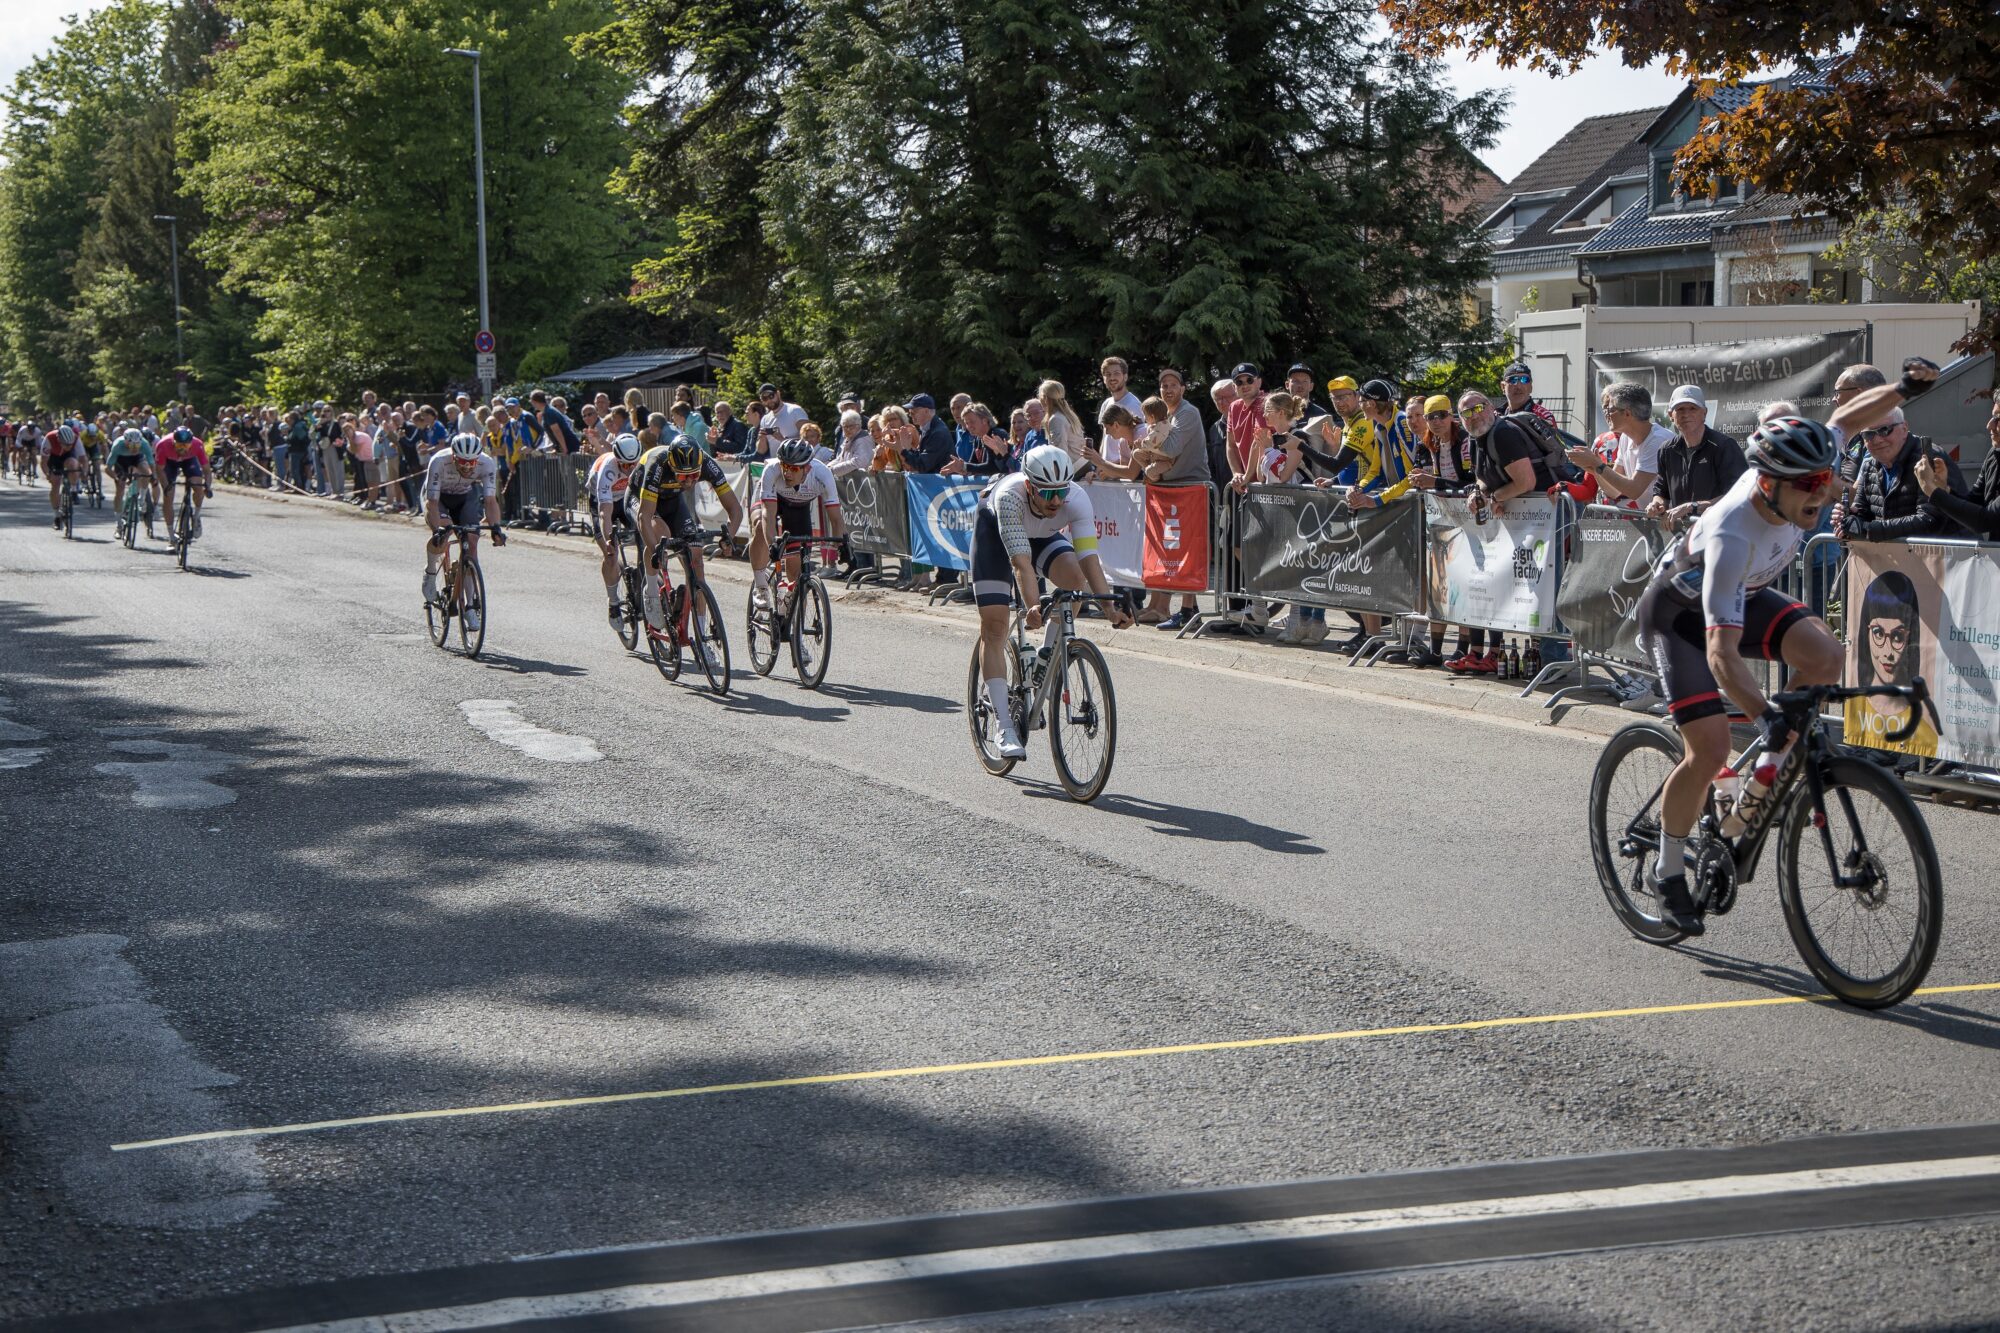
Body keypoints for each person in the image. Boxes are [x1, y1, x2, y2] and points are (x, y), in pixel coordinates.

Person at [1635, 359, 1934, 934]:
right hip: (1678, 618)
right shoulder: (1733, 532)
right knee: (1709, 748)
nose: (1823, 492)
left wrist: (1903, 389)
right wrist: (1763, 715)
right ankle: (1668, 869)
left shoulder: (1802, 470)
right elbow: (1721, 655)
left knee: (1826, 655)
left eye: (1827, 479)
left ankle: (1759, 781)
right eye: (1811, 486)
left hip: (1745, 597)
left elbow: (1847, 418)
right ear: (1769, 485)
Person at [970, 445, 1131, 758]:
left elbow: (1089, 558)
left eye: (1060, 491)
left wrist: (1109, 609)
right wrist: (1034, 606)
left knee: (1074, 582)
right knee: (995, 626)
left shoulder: (1076, 499)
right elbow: (1021, 564)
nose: (1056, 500)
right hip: (995, 535)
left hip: (1042, 534)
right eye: (1047, 493)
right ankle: (1004, 726)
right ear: (1029, 486)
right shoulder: (1010, 497)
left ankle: (1047, 657)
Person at [628, 439, 744, 627]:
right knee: (661, 534)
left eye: (694, 475)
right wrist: (656, 552)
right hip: (640, 500)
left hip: (672, 500)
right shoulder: (658, 465)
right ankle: (651, 591)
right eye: (682, 477)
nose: (689, 481)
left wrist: (729, 536)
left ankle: (701, 631)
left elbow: (735, 509)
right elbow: (644, 517)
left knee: (696, 559)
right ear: (672, 467)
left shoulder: (707, 463)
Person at [1844, 570, 1941, 757]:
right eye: (1878, 633)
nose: (1887, 652)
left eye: (1898, 636)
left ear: (1911, 636)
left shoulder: (1925, 726)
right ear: (1866, 633)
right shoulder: (1856, 708)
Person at [1832, 407, 1965, 542]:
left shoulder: (1928, 460)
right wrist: (1849, 520)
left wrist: (1868, 530)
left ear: (1904, 428)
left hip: (1948, 553)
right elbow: (1862, 513)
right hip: (1897, 553)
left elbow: (1930, 519)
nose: (1877, 440)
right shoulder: (1869, 465)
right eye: (1868, 434)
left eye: (1884, 430)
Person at [750, 437, 846, 613]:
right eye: (785, 466)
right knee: (759, 526)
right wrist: (772, 544)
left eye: (794, 469)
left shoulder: (822, 474)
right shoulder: (772, 470)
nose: (787, 472)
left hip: (797, 507)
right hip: (772, 500)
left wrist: (840, 544)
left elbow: (836, 518)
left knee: (796, 567)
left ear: (807, 468)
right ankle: (761, 586)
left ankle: (791, 610)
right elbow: (768, 514)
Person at [421, 433, 506, 626]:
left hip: (463, 497)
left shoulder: (487, 463)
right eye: (462, 462)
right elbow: (432, 503)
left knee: (472, 544)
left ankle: (470, 606)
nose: (467, 467)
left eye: (471, 463)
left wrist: (496, 528)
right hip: (438, 499)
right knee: (443, 532)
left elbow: (490, 501)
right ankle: (430, 572)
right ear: (453, 456)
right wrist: (437, 530)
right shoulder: (439, 461)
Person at [1648, 385, 1747, 526]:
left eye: (1693, 408)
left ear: (1704, 413)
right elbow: (1661, 491)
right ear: (1670, 415)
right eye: (1680, 409)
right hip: (1683, 534)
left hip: (1720, 530)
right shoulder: (1666, 450)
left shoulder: (1724, 446)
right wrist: (1657, 504)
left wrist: (1692, 507)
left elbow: (1738, 495)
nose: (1686, 414)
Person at [1565, 381, 1667, 506]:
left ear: (1627, 413)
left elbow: (1634, 490)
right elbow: (1614, 491)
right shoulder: (1626, 438)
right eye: (1605, 409)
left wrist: (1596, 464)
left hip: (1671, 517)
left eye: (1610, 409)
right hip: (1652, 517)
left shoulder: (1658, 440)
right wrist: (1595, 469)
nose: (1606, 413)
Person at [1917, 397, 2000, 540]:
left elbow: (1985, 520)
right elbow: (1974, 503)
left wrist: (1931, 490)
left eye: (1998, 418)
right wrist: (1944, 489)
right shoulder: (1995, 454)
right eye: (1993, 416)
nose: (1989, 425)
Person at [588, 433, 647, 627]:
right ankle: (613, 602)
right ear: (616, 459)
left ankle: (643, 577)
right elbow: (605, 513)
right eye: (625, 465)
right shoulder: (608, 470)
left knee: (646, 533)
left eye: (633, 464)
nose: (630, 469)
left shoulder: (640, 464)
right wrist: (608, 540)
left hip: (625, 499)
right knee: (611, 555)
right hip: (603, 503)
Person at [154, 426, 211, 537]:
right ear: (173, 442)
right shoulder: (163, 445)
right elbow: (160, 470)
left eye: (186, 445)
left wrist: (207, 486)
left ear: (191, 443)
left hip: (189, 461)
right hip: (169, 462)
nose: (182, 449)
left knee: (198, 486)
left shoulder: (197, 444)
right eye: (179, 445)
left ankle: (196, 516)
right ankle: (171, 534)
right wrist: (166, 487)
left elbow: (207, 470)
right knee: (168, 496)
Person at [106, 427, 156, 533]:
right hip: (121, 460)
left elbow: (151, 463)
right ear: (125, 442)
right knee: (120, 490)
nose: (134, 449)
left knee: (146, 472)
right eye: (132, 446)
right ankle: (119, 524)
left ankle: (142, 499)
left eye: (137, 446)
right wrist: (116, 478)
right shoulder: (118, 445)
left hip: (137, 458)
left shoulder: (144, 444)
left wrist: (153, 477)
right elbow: (108, 468)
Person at [41, 423, 86, 526]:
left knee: (73, 465)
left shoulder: (76, 439)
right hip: (53, 458)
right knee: (55, 484)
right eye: (66, 444)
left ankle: (74, 489)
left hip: (68, 457)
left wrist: (84, 472)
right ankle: (56, 515)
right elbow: (44, 462)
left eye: (70, 444)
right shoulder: (49, 438)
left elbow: (83, 459)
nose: (68, 446)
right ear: (59, 440)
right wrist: (48, 474)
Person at [899, 393, 954, 473]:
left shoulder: (938, 433)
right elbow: (921, 459)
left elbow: (922, 465)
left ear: (926, 411)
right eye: (910, 412)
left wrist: (904, 450)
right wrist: (908, 449)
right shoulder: (928, 429)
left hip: (941, 480)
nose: (910, 415)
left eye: (914, 411)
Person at [1098, 356, 1144, 426]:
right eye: (1108, 374)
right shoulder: (1106, 404)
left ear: (1125, 377)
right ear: (1104, 379)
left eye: (1116, 373)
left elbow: (1141, 432)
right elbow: (1105, 432)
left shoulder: (1134, 405)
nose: (1112, 378)